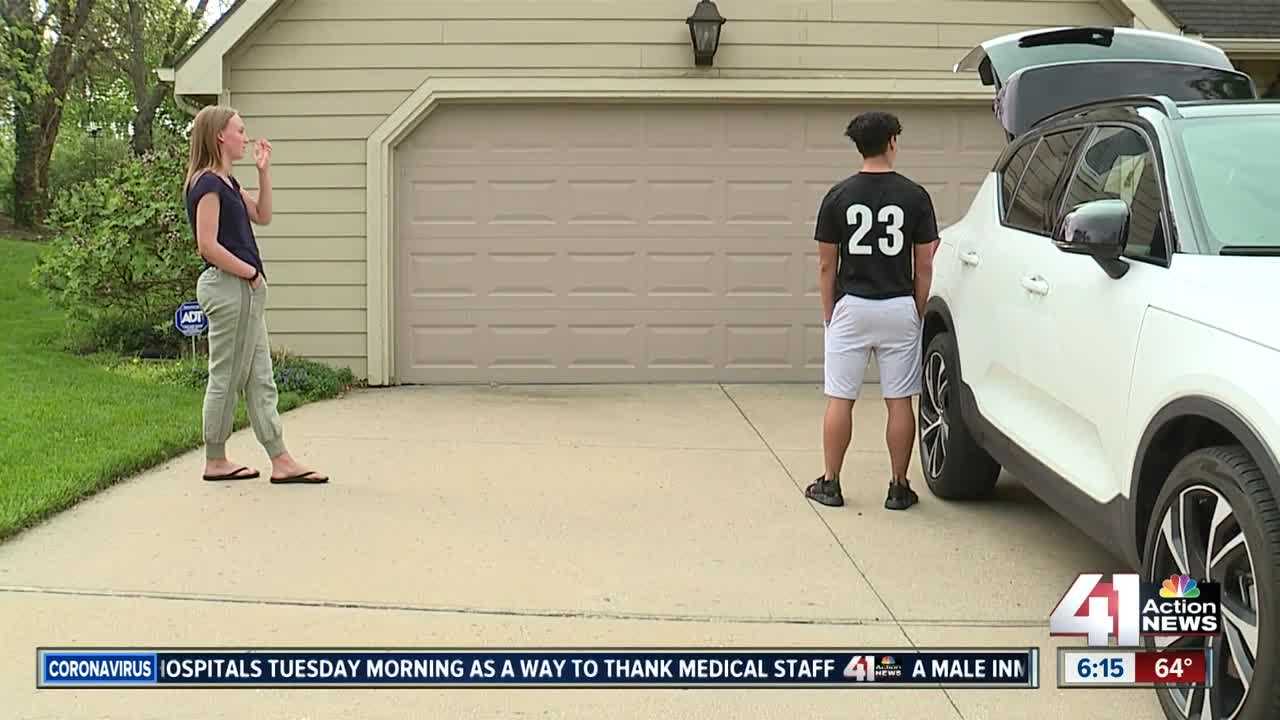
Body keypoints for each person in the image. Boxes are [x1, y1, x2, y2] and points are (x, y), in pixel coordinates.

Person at [184, 105, 329, 484]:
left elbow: (263, 215)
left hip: (244, 290)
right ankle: (216, 459)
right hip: (231, 288)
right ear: (220, 136)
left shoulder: (228, 182)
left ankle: (280, 459)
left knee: (261, 378)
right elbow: (206, 245)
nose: (246, 137)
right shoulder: (208, 184)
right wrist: (250, 273)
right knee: (227, 377)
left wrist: (264, 172)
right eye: (240, 130)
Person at [805, 111, 939, 511]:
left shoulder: (838, 196)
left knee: (840, 399)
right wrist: (915, 309)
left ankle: (830, 483)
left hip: (851, 306)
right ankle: (899, 486)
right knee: (899, 400)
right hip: (898, 305)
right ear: (892, 142)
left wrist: (830, 312)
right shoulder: (915, 196)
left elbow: (827, 264)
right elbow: (926, 262)